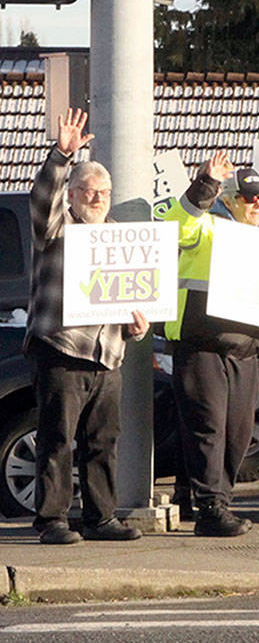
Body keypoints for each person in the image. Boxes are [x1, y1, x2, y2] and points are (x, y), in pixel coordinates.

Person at [25, 109, 149, 544]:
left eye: (104, 192)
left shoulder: (123, 240)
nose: (97, 198)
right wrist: (62, 155)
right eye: (88, 191)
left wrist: (137, 325)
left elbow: (135, 300)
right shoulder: (57, 232)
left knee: (103, 441)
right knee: (57, 439)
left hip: (107, 354)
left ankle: (101, 518)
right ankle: (52, 520)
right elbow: (42, 201)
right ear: (72, 196)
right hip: (62, 348)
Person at [159, 151, 259, 537]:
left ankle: (217, 500)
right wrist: (206, 183)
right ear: (228, 200)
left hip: (245, 349)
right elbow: (176, 226)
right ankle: (210, 507)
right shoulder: (206, 226)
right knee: (207, 425)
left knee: (239, 431)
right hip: (201, 342)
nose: (257, 204)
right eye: (249, 197)